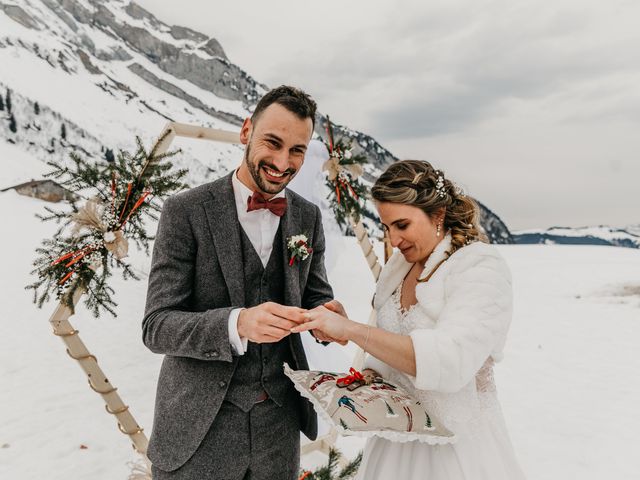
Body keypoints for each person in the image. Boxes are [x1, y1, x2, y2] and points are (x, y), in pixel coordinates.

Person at [142, 85, 336, 479]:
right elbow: (156, 326)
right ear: (246, 131)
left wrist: (328, 318)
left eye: (297, 150)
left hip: (279, 430)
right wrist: (238, 324)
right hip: (198, 432)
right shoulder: (186, 211)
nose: (283, 162)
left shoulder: (308, 218)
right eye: (273, 142)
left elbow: (316, 295)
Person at [293, 160, 526, 480]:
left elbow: (452, 360)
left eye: (402, 225)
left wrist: (353, 330)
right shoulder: (399, 268)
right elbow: (389, 342)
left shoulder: (481, 269)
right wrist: (371, 374)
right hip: (395, 442)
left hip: (455, 450)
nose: (393, 240)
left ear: (438, 215)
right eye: (387, 228)